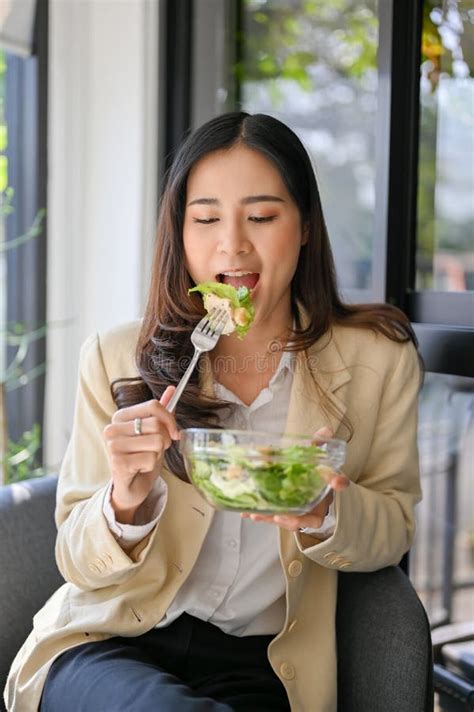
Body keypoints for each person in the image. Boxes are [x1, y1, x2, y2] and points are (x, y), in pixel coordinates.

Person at [4, 112, 422, 712]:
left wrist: (328, 511)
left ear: (305, 227)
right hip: (110, 640)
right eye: (205, 219)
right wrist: (125, 500)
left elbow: (395, 521)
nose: (233, 244)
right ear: (180, 231)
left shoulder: (378, 360)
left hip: (265, 662)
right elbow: (76, 558)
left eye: (262, 216)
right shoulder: (117, 356)